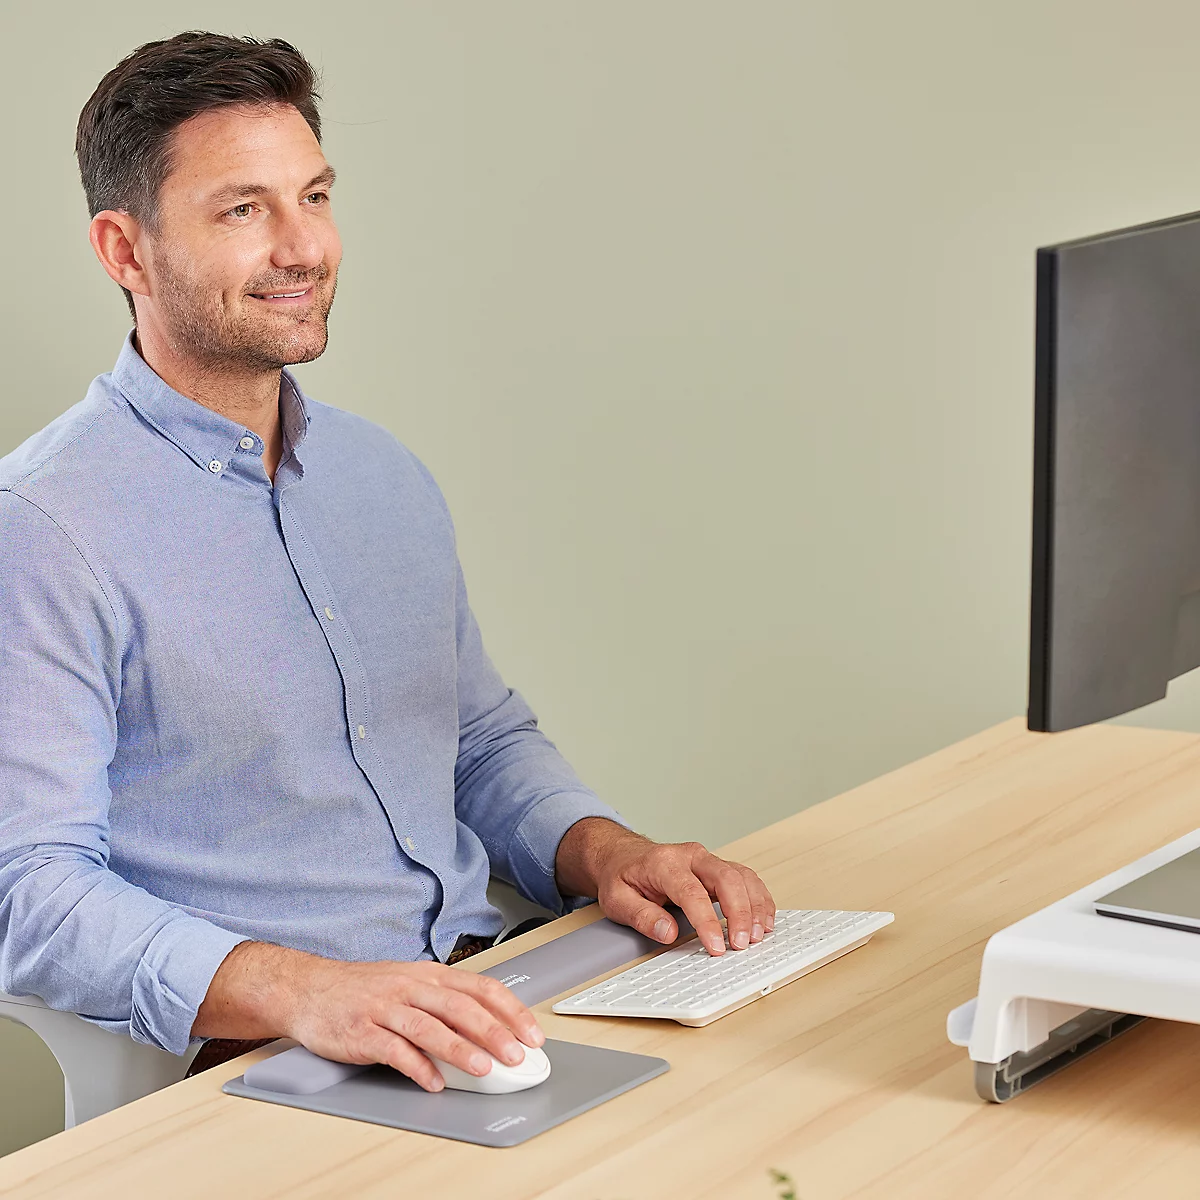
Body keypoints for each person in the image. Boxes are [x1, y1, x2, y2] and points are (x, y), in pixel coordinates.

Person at [0, 32, 776, 1093]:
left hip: (495, 997)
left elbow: (476, 744)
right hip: (275, 1062)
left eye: (313, 197)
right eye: (243, 210)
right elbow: (28, 889)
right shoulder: (41, 526)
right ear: (125, 252)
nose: (304, 247)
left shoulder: (379, 476)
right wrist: (306, 988)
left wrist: (606, 852)